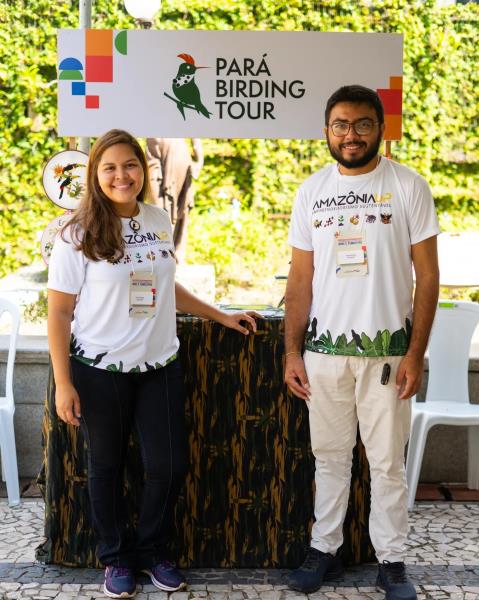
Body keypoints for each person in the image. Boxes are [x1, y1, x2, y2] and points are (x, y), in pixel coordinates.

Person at [47, 129, 257, 599]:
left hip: (160, 366)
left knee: (168, 465)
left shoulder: (158, 219)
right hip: (100, 371)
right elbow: (59, 311)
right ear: (95, 174)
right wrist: (64, 383)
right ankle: (116, 559)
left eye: (130, 165)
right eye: (110, 167)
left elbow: (167, 286)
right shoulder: (75, 233)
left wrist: (220, 315)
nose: (122, 175)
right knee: (106, 465)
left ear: (143, 170)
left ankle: (154, 551)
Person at [284, 85, 440, 599]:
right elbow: (300, 280)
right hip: (324, 356)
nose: (350, 135)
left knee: (387, 461)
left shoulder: (408, 186)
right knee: (328, 456)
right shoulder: (311, 192)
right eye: (340, 125)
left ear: (380, 128)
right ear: (327, 131)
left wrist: (415, 353)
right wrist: (291, 350)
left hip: (388, 356)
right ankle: (324, 550)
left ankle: (391, 561)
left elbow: (428, 276)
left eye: (362, 125)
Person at [146, 138, 204, 262]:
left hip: (177, 151)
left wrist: (199, 159)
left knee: (180, 208)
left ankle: (176, 254)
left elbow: (195, 131)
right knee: (159, 208)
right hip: (156, 151)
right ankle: (162, 257)